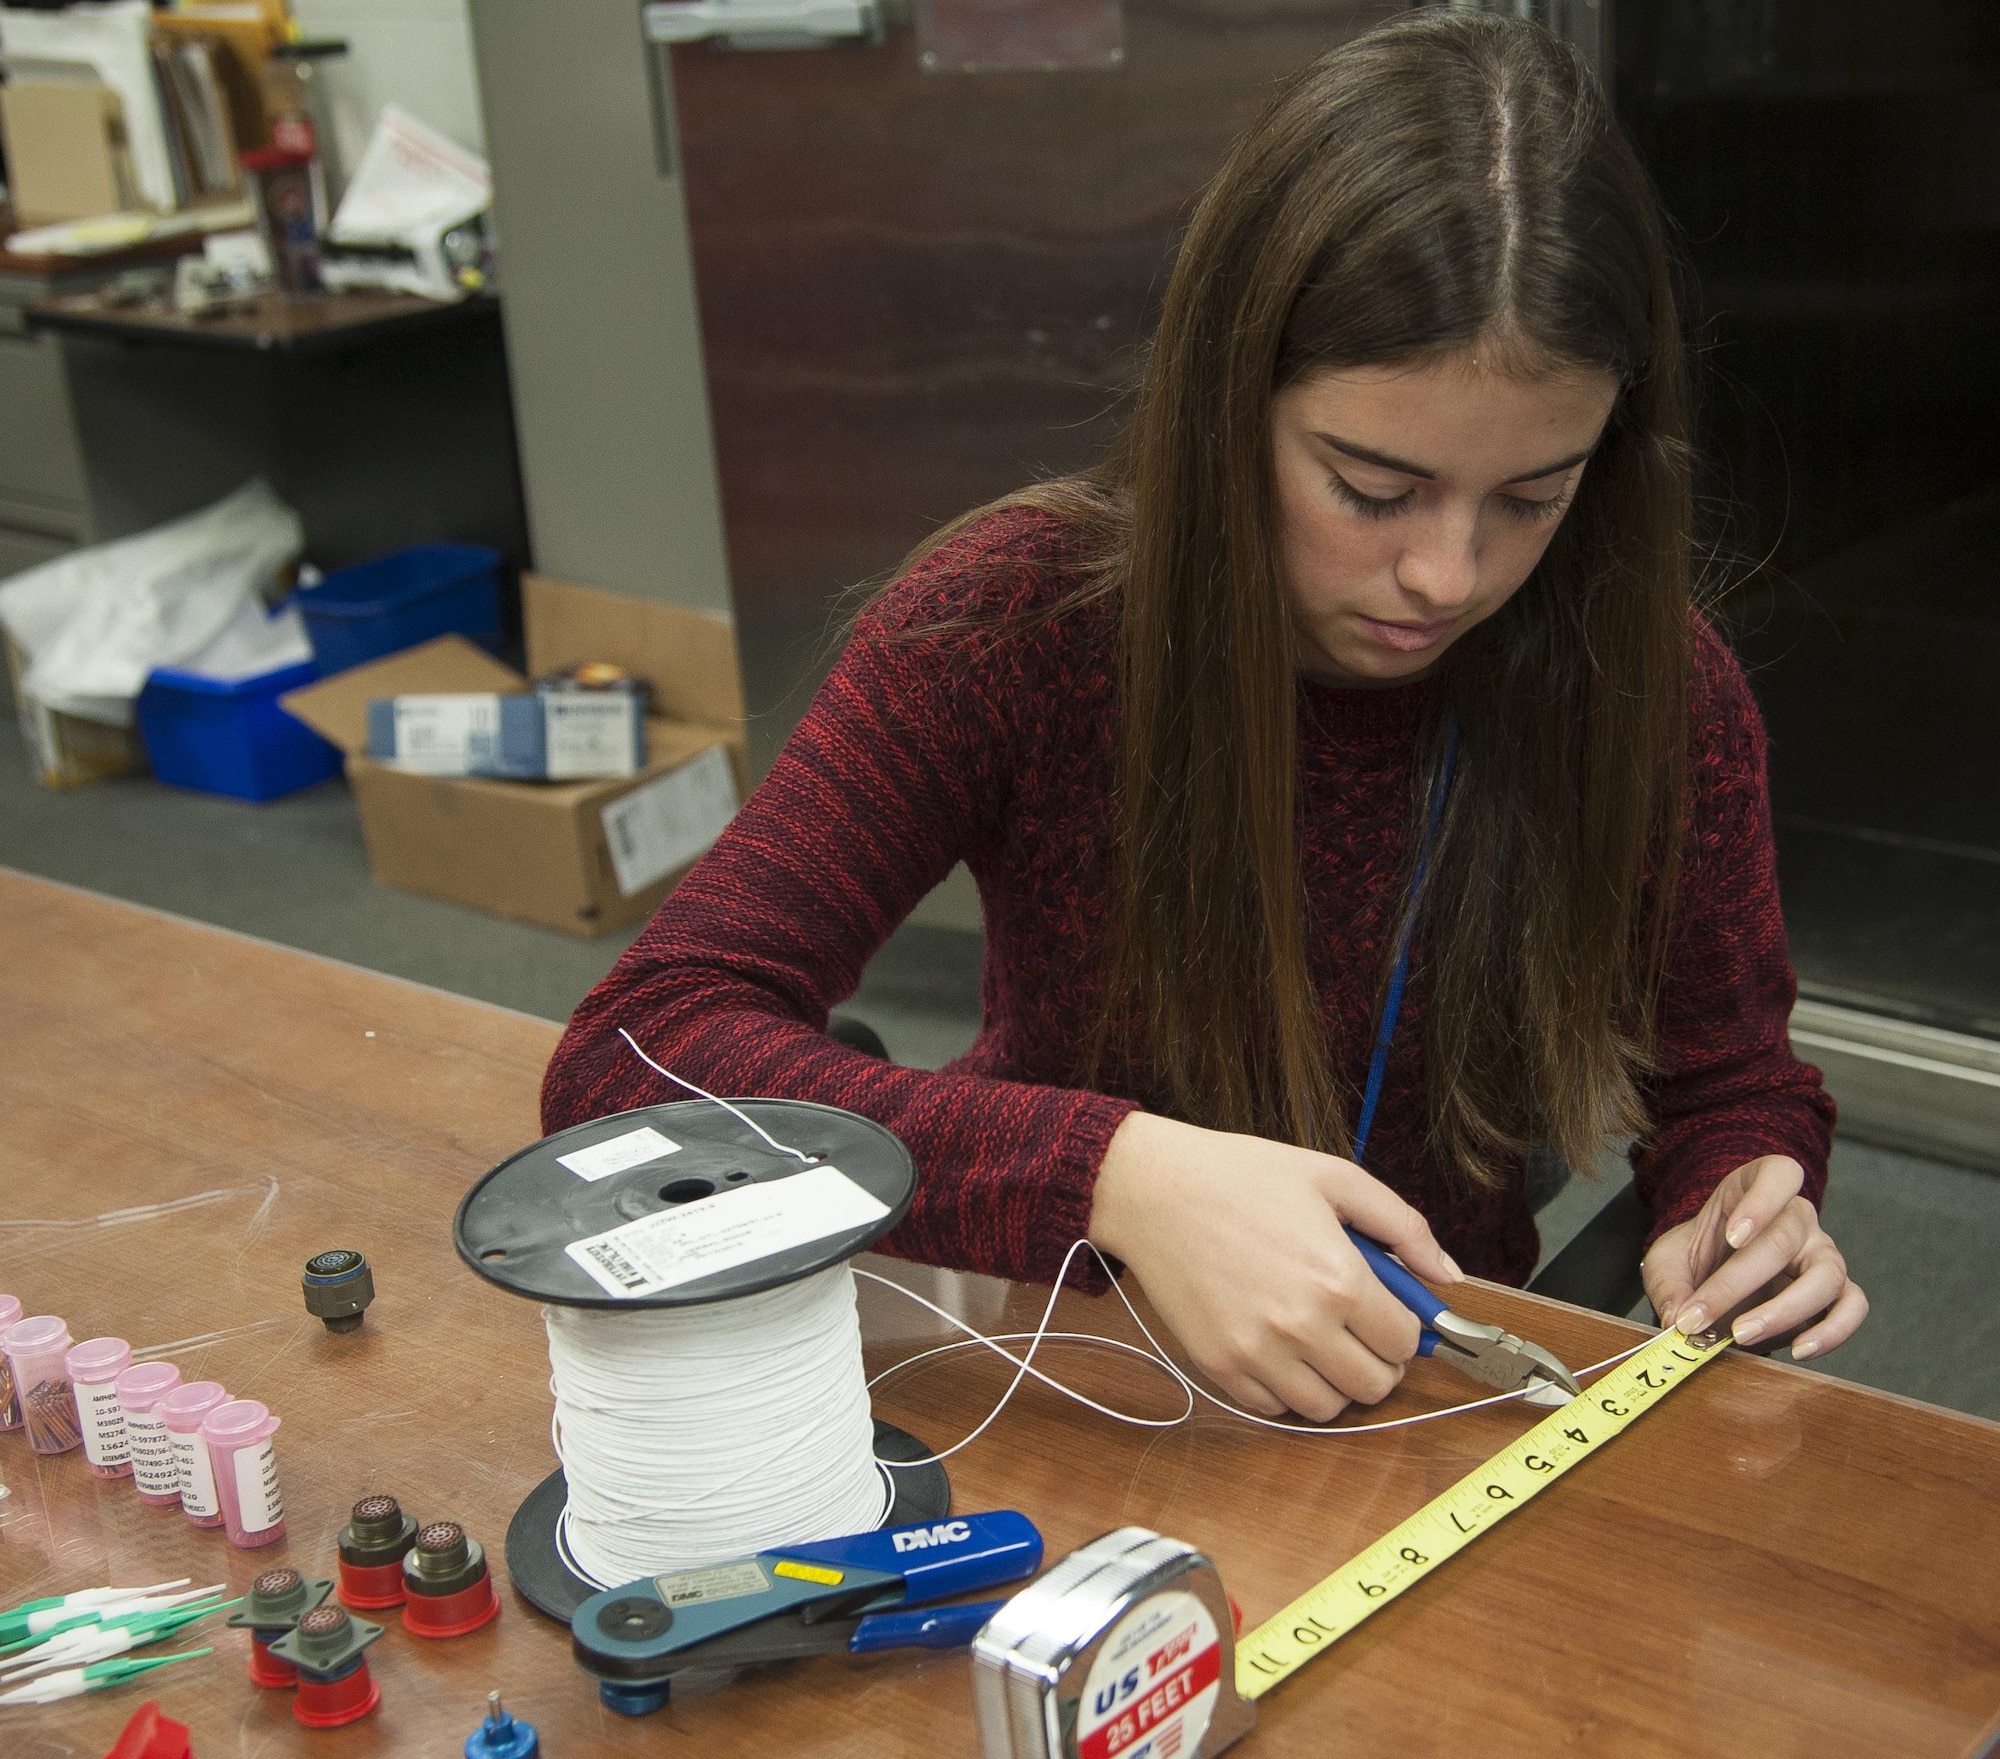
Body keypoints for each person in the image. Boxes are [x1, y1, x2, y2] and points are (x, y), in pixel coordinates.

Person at [542, 10, 1867, 1421]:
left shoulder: (1654, 689)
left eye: (1534, 498)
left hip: (1423, 1398)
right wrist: (1114, 1176)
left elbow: (1734, 1081)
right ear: (1230, 397)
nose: (1447, 574)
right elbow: (631, 1056)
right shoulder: (1014, 626)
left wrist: (1740, 1206)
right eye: (1371, 488)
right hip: (1063, 1371)